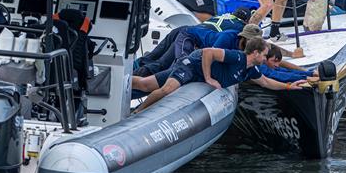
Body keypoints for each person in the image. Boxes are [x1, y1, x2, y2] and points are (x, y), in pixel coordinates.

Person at [131, 39, 305, 112]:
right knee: (167, 89)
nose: (266, 58)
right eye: (265, 54)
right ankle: (139, 112)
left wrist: (289, 86)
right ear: (256, 53)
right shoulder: (237, 57)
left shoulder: (251, 70)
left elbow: (267, 83)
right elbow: (208, 52)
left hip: (194, 75)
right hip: (191, 67)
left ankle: (116, 79)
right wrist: (208, 78)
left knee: (144, 85)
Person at [136, 23, 264, 78]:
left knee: (160, 63)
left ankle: (137, 75)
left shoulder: (250, 48)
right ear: (244, 37)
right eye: (251, 40)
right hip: (188, 36)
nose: (254, 44)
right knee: (179, 64)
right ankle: (135, 76)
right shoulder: (228, 37)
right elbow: (210, 55)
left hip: (194, 42)